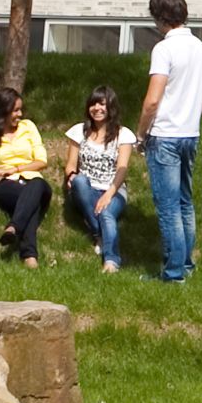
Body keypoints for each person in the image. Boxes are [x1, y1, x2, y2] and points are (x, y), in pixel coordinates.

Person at [139, 0, 202, 283]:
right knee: (184, 203)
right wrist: (188, 117)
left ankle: (173, 274)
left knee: (168, 208)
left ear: (159, 17)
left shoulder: (164, 49)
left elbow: (152, 101)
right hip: (190, 135)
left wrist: (141, 134)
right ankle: (187, 267)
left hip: (165, 136)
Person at [63, 85, 137, 271]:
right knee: (79, 180)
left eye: (102, 104)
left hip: (113, 189)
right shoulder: (79, 131)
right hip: (86, 189)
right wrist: (71, 176)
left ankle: (111, 261)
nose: (97, 108)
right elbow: (71, 164)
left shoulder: (123, 134)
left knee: (106, 213)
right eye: (93, 104)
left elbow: (122, 170)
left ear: (111, 107)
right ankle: (100, 234)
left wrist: (109, 195)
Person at [0, 86, 54, 268]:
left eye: (21, 109)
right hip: (7, 185)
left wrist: (14, 169)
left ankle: (14, 227)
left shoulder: (28, 127)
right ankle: (30, 257)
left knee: (36, 185)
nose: (20, 114)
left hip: (34, 180)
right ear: (2, 111)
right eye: (15, 110)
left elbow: (41, 161)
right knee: (31, 205)